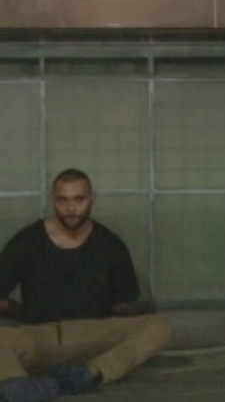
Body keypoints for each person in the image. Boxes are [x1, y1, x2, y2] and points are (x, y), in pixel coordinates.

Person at [0, 169, 172, 402]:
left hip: (92, 335)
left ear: (92, 198)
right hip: (39, 335)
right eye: (63, 200)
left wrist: (137, 309)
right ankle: (18, 385)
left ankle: (91, 373)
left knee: (160, 326)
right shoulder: (27, 241)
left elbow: (122, 306)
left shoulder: (110, 245)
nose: (71, 209)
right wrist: (24, 311)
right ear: (53, 200)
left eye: (78, 199)